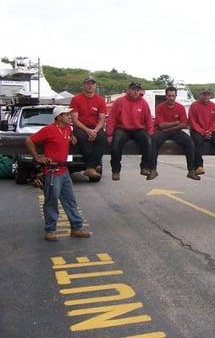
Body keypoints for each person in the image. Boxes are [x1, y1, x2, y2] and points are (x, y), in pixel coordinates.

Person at [25, 106, 90, 242]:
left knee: (70, 200)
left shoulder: (67, 129)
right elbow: (29, 140)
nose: (70, 116)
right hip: (53, 171)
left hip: (64, 171)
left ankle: (76, 227)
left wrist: (72, 137)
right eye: (66, 114)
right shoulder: (49, 130)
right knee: (51, 201)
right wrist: (37, 157)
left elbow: (67, 137)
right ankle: (50, 230)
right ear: (59, 117)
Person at [106, 81, 154, 181]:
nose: (136, 92)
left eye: (137, 90)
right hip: (122, 128)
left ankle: (145, 167)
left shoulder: (144, 103)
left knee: (148, 141)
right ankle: (115, 170)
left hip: (138, 129)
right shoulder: (119, 101)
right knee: (116, 142)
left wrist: (150, 133)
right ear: (129, 90)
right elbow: (111, 118)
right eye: (133, 89)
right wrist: (109, 134)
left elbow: (149, 119)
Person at [151, 86, 199, 181]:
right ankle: (153, 169)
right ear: (166, 96)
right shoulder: (160, 107)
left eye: (173, 96)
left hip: (175, 132)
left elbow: (184, 124)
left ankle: (191, 170)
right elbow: (161, 125)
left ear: (176, 96)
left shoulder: (180, 107)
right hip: (162, 132)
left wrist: (171, 126)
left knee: (189, 142)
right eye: (169, 96)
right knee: (153, 140)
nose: (171, 98)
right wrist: (176, 122)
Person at [70, 76, 107, 179]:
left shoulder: (100, 100)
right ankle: (94, 166)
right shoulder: (76, 99)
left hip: (95, 127)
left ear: (95, 86)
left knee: (103, 138)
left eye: (92, 84)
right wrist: (88, 131)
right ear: (84, 85)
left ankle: (90, 168)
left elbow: (102, 119)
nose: (90, 86)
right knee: (82, 137)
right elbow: (74, 120)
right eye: (88, 83)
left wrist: (94, 131)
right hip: (81, 127)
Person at [188, 88, 215, 177]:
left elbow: (214, 121)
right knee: (198, 142)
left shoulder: (213, 106)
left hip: (209, 131)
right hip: (196, 131)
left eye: (208, 94)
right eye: (204, 94)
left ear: (210, 95)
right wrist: (203, 132)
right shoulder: (194, 106)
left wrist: (209, 131)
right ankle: (198, 166)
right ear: (200, 95)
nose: (206, 96)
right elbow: (192, 122)